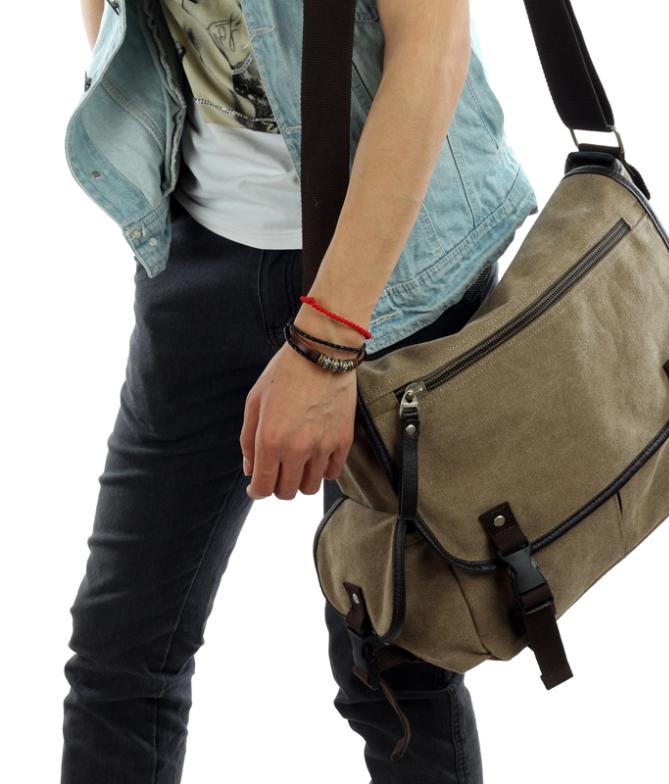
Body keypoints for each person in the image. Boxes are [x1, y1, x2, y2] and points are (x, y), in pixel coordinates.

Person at [61, 1, 538, 782]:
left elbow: (432, 41)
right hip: (196, 259)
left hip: (401, 276)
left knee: (393, 665)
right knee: (118, 655)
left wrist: (327, 342)